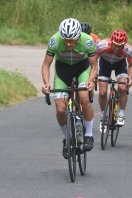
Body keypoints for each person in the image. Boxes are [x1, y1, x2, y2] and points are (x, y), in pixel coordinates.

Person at [41, 18, 98, 159]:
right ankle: (66, 138)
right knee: (60, 110)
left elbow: (94, 66)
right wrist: (46, 83)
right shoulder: (55, 41)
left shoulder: (88, 41)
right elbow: (46, 65)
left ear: (78, 36)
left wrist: (91, 81)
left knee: (84, 98)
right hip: (63, 71)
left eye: (72, 41)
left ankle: (89, 134)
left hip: (82, 69)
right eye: (65, 40)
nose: (68, 44)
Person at [95, 29, 132, 130]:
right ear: (111, 41)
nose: (117, 48)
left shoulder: (128, 50)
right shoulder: (102, 45)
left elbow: (131, 65)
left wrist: (130, 78)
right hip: (105, 64)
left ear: (124, 44)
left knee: (122, 87)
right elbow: (93, 60)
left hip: (119, 64)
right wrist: (94, 74)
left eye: (120, 46)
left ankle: (121, 114)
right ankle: (103, 116)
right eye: (115, 45)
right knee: (103, 92)